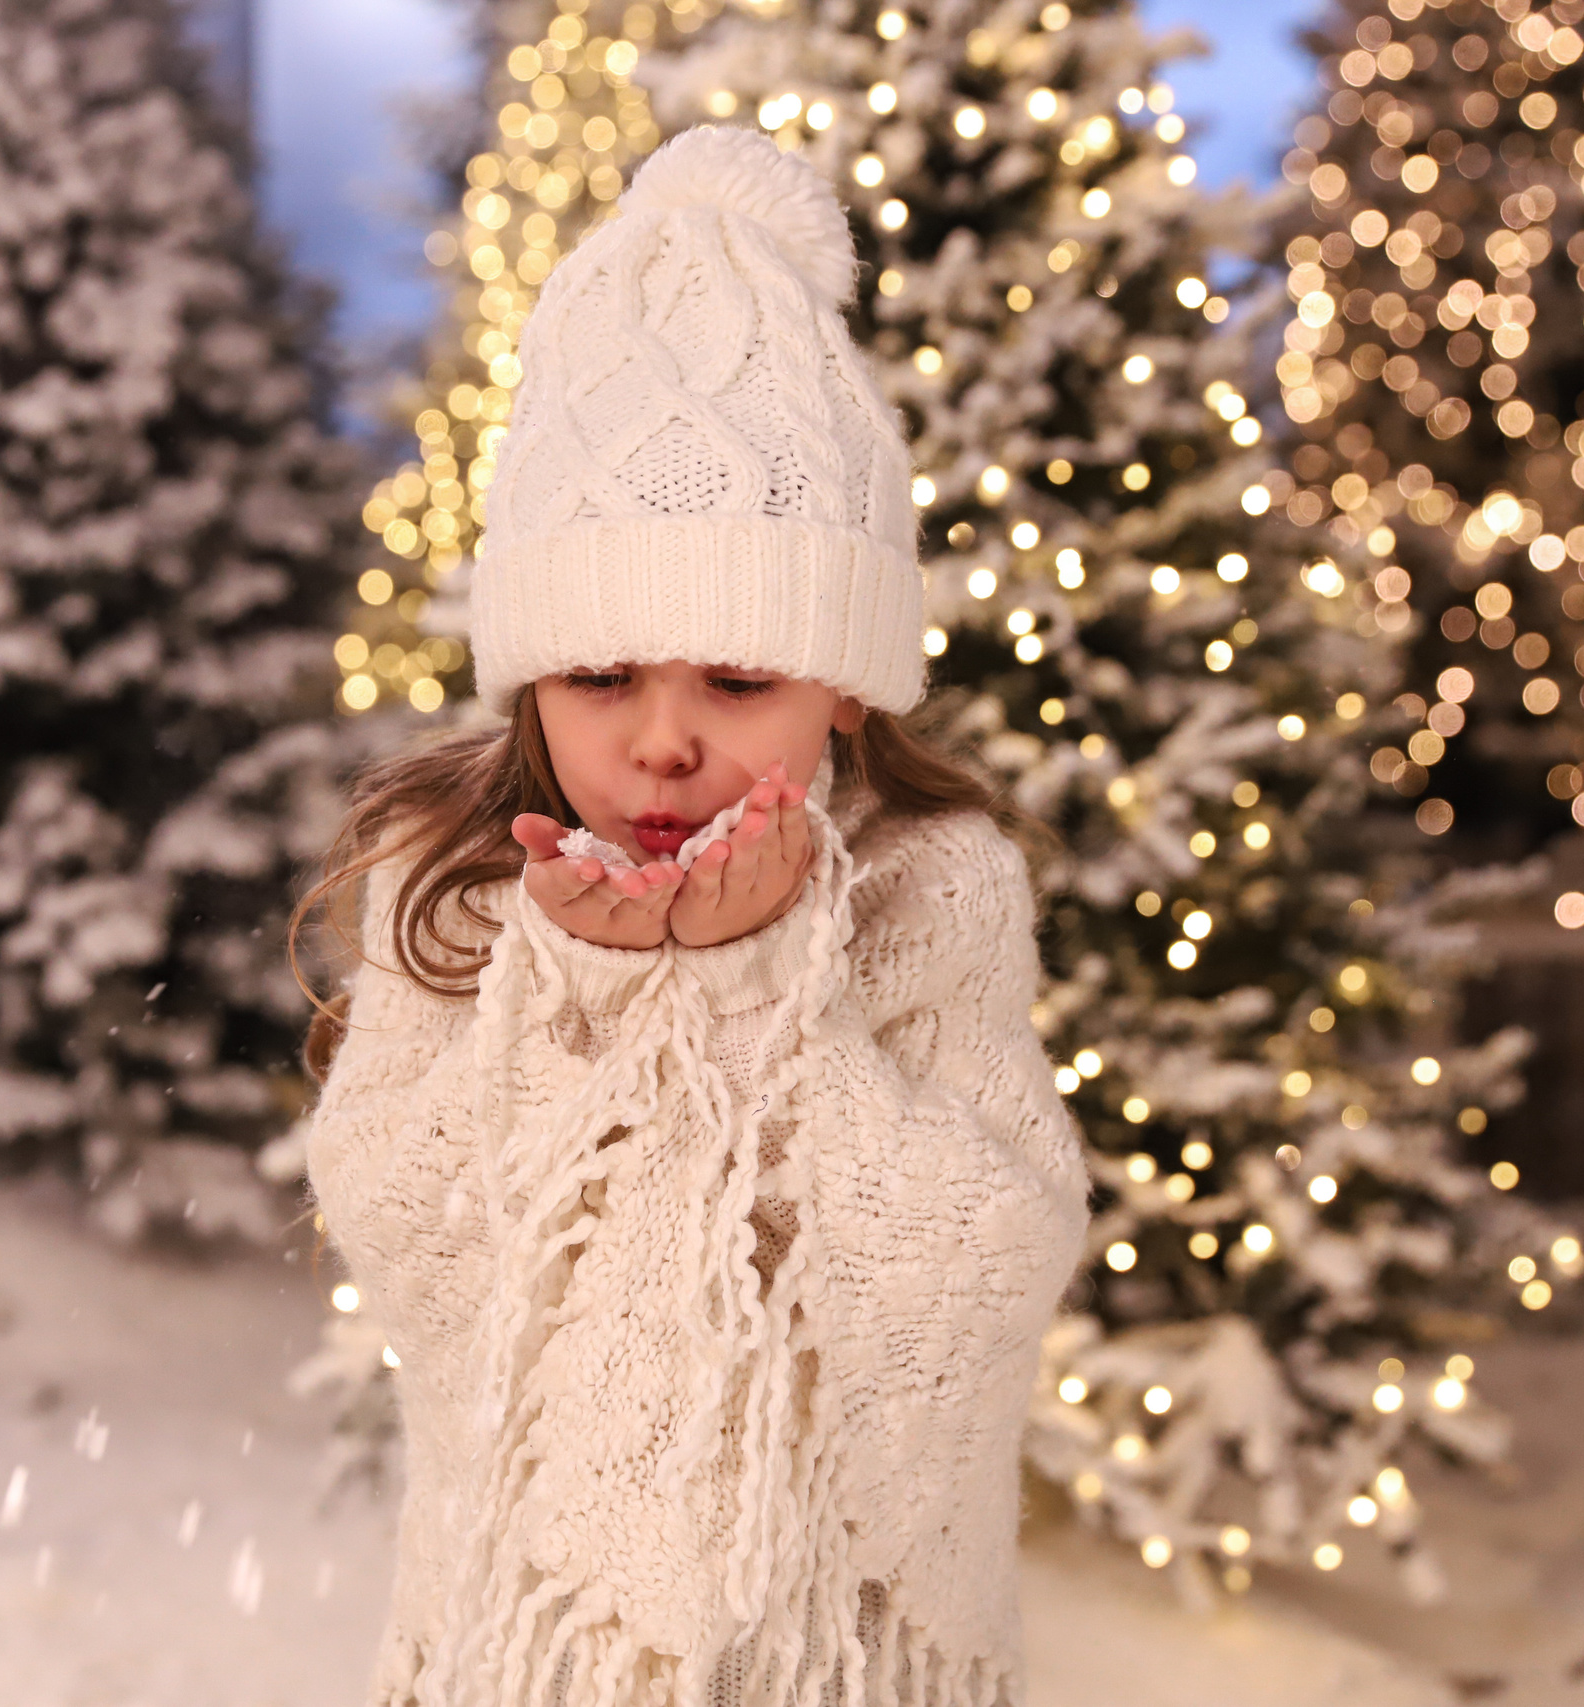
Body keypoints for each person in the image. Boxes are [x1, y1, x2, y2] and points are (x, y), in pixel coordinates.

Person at [287, 124, 1091, 1707]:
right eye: (601, 677)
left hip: (835, 1640)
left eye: (736, 679)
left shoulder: (933, 888)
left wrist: (756, 992)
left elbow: (982, 1263)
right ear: (533, 678)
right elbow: (410, 1225)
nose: (663, 741)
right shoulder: (452, 881)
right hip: (528, 1634)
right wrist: (578, 998)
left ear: (843, 687)